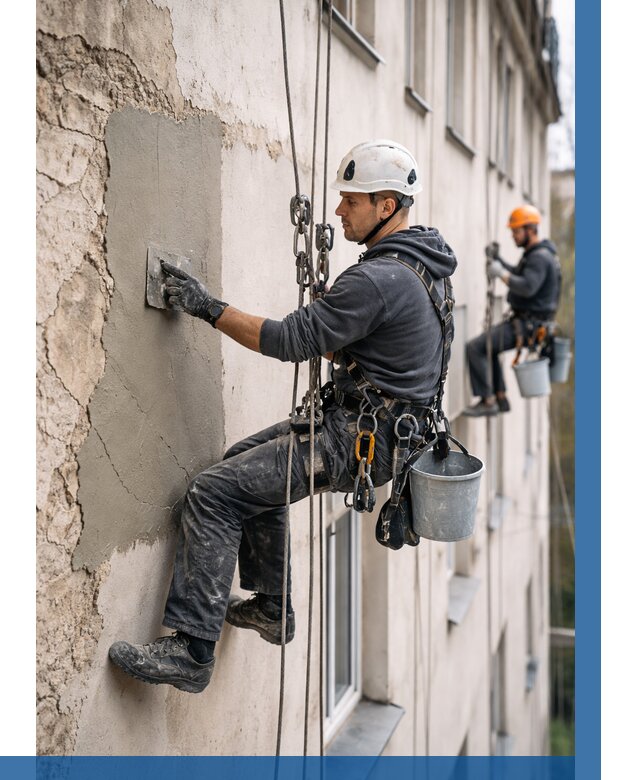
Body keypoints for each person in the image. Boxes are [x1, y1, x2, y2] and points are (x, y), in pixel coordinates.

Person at [108, 140, 457, 693]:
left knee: (213, 492)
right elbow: (382, 350)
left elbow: (287, 340)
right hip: (384, 432)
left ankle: (193, 652)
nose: (340, 210)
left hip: (357, 440)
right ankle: (272, 603)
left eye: (352, 201)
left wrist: (206, 306)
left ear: (386, 205)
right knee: (240, 468)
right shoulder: (424, 267)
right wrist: (339, 331)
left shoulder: (378, 280)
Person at [462, 205, 561, 417]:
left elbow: (527, 286)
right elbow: (518, 272)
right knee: (490, 347)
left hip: (528, 326)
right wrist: (500, 262)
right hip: (527, 324)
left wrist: (500, 274)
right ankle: (500, 396)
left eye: (516, 231)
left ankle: (488, 401)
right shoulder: (536, 254)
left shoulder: (539, 258)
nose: (513, 236)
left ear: (531, 230)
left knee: (476, 347)